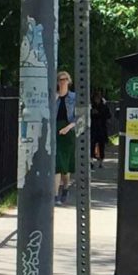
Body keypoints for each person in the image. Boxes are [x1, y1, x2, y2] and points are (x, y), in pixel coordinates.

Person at [55, 71, 76, 205]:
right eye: (60, 80)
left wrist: (68, 128)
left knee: (65, 166)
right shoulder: (54, 97)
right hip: (56, 131)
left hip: (68, 132)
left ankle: (66, 188)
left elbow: (80, 117)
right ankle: (56, 195)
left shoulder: (74, 97)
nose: (62, 82)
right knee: (56, 164)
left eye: (65, 80)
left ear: (69, 81)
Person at [90, 91, 111, 168]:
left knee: (101, 145)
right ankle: (91, 160)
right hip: (93, 127)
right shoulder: (91, 106)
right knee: (91, 144)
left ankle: (101, 162)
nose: (97, 100)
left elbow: (109, 115)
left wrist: (100, 114)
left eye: (98, 98)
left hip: (102, 128)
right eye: (96, 98)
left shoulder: (104, 106)